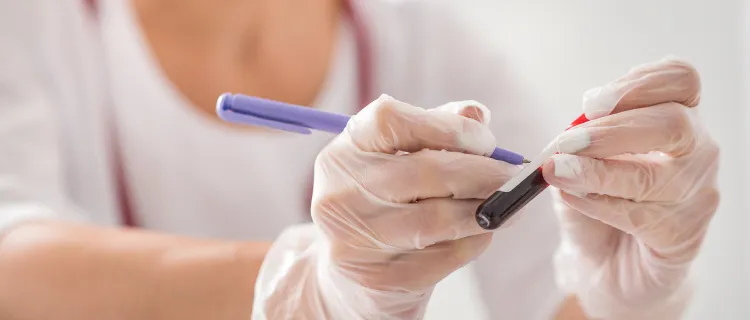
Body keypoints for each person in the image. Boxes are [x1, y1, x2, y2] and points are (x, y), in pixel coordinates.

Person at [0, 0, 719, 319]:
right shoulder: (36, 24)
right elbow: (13, 260)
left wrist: (627, 296)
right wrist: (310, 289)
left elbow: (555, 305)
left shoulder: (422, 38)